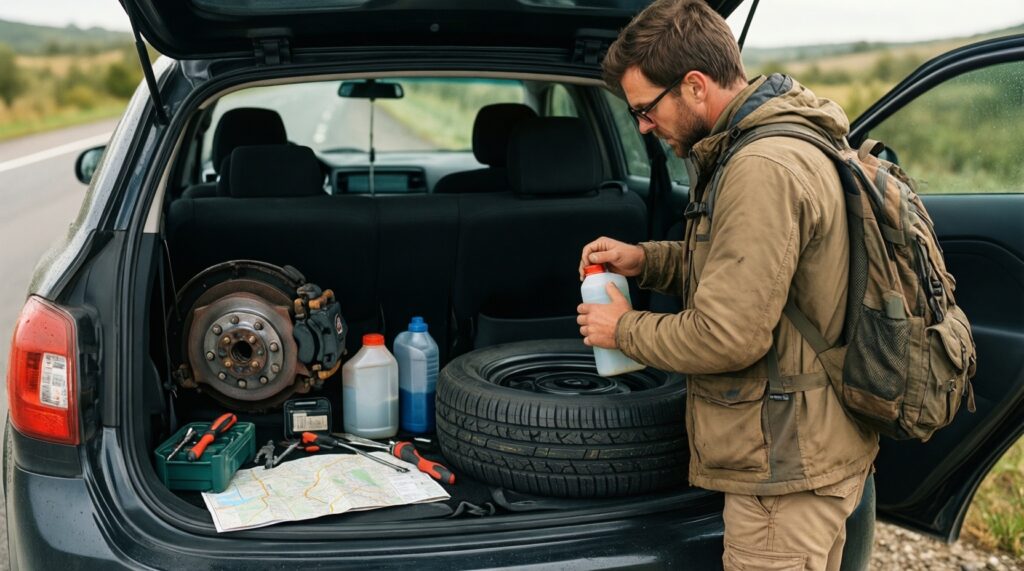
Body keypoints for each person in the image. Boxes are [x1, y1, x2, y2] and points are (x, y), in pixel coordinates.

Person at [576, 1, 879, 569]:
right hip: (813, 447)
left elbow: (728, 335)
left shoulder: (761, 167)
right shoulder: (780, 139)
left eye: (645, 109)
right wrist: (647, 260)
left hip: (784, 475)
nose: (642, 125)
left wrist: (623, 328)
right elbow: (755, 278)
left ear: (694, 85)